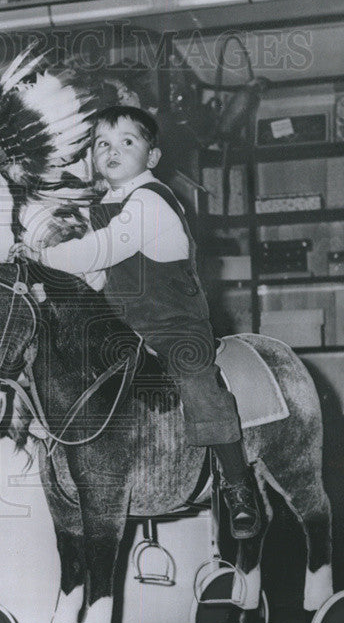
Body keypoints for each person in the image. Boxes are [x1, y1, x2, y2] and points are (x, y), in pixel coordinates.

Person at [27, 105, 261, 539]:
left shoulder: (150, 202)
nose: (111, 151)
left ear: (151, 157)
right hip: (123, 325)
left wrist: (42, 259)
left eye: (126, 142)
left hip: (174, 325)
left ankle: (237, 482)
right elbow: (96, 274)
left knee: (195, 378)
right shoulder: (107, 205)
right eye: (102, 144)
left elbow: (102, 250)